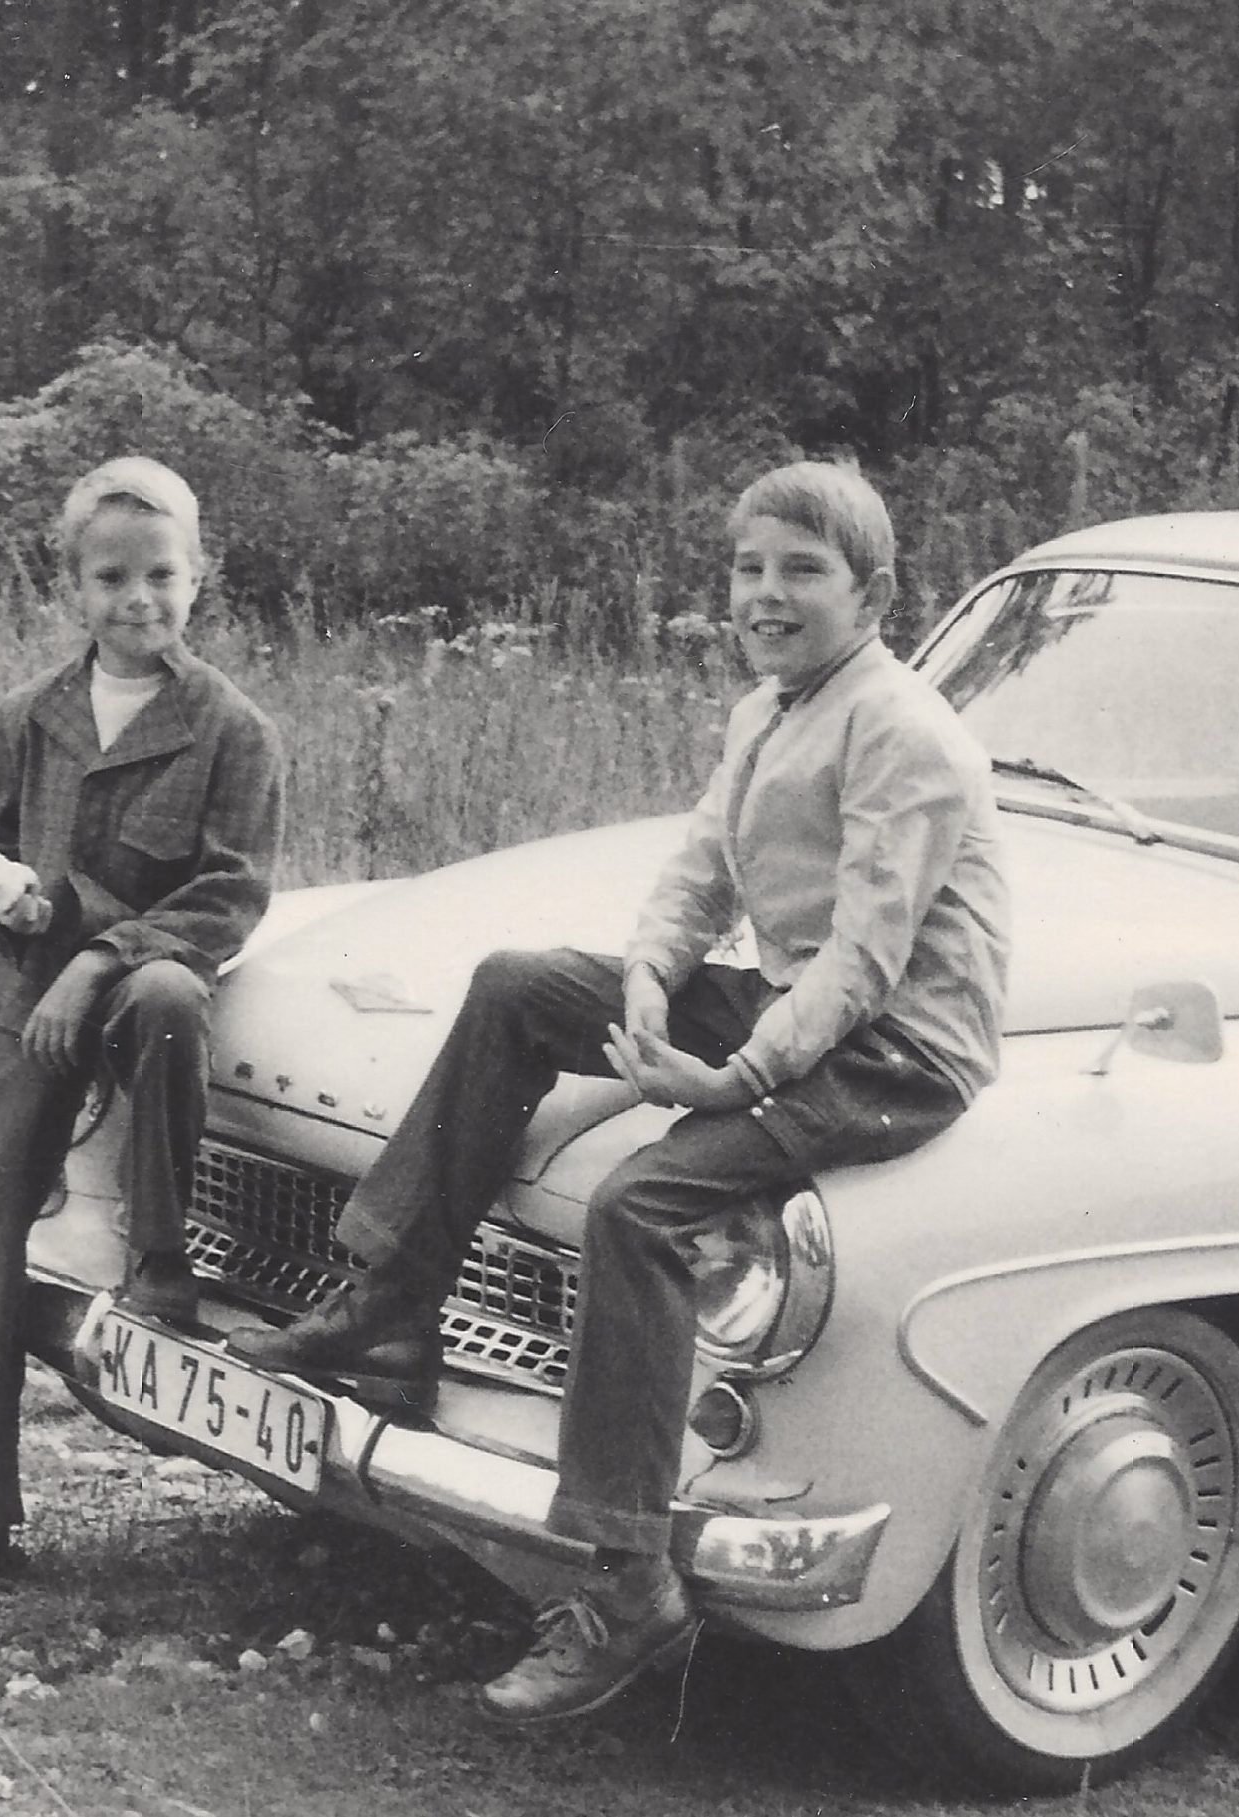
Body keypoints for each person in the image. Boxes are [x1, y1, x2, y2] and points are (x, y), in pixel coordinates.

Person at [228, 460, 1011, 1723]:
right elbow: (699, 868)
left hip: (895, 1054)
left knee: (639, 1203)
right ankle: (389, 1304)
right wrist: (648, 980)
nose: (768, 592)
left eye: (802, 571)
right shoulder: (771, 704)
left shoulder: (905, 731)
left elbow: (867, 961)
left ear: (873, 593)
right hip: (788, 1001)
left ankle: (623, 1580)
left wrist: (729, 1075)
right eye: (751, 567)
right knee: (519, 987)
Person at [0, 457, 285, 1582]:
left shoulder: (234, 729)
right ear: (74, 587)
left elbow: (229, 896)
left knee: (172, 995)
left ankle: (159, 1260)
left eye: (162, 575)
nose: (141, 600)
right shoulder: (25, 716)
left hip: (141, 985)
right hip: (27, 996)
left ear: (200, 577)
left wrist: (98, 957)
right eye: (113, 577)